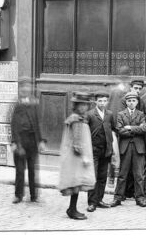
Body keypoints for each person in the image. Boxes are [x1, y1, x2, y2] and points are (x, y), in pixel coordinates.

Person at [58, 91, 95, 220]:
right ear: (76, 106)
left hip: (76, 157)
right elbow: (77, 140)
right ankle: (72, 209)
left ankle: (72, 208)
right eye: (81, 105)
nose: (83, 107)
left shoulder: (78, 118)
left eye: (85, 105)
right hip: (76, 157)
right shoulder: (77, 119)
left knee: (77, 183)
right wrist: (84, 156)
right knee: (76, 182)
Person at [10, 77, 47, 204]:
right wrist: (14, 142)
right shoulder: (16, 104)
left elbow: (38, 122)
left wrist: (41, 140)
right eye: (23, 87)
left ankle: (33, 195)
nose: (25, 89)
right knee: (20, 170)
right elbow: (13, 124)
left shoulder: (35, 103)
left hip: (32, 141)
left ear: (30, 88)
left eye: (27, 87)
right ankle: (18, 195)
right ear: (20, 89)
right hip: (20, 141)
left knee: (32, 169)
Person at [111, 90, 146, 207]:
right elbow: (120, 130)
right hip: (125, 147)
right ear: (126, 102)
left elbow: (144, 129)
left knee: (139, 175)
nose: (131, 103)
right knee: (122, 174)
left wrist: (130, 128)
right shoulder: (121, 114)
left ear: (137, 102)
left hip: (138, 148)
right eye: (129, 101)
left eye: (133, 100)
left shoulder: (141, 114)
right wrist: (135, 130)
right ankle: (118, 197)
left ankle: (140, 198)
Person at [86, 89, 114, 212]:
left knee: (103, 176)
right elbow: (85, 132)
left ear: (107, 102)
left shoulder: (110, 114)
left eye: (104, 101)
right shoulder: (90, 114)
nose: (102, 103)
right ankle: (92, 202)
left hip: (106, 150)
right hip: (93, 150)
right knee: (93, 176)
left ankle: (99, 199)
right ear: (95, 102)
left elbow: (113, 128)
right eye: (100, 101)